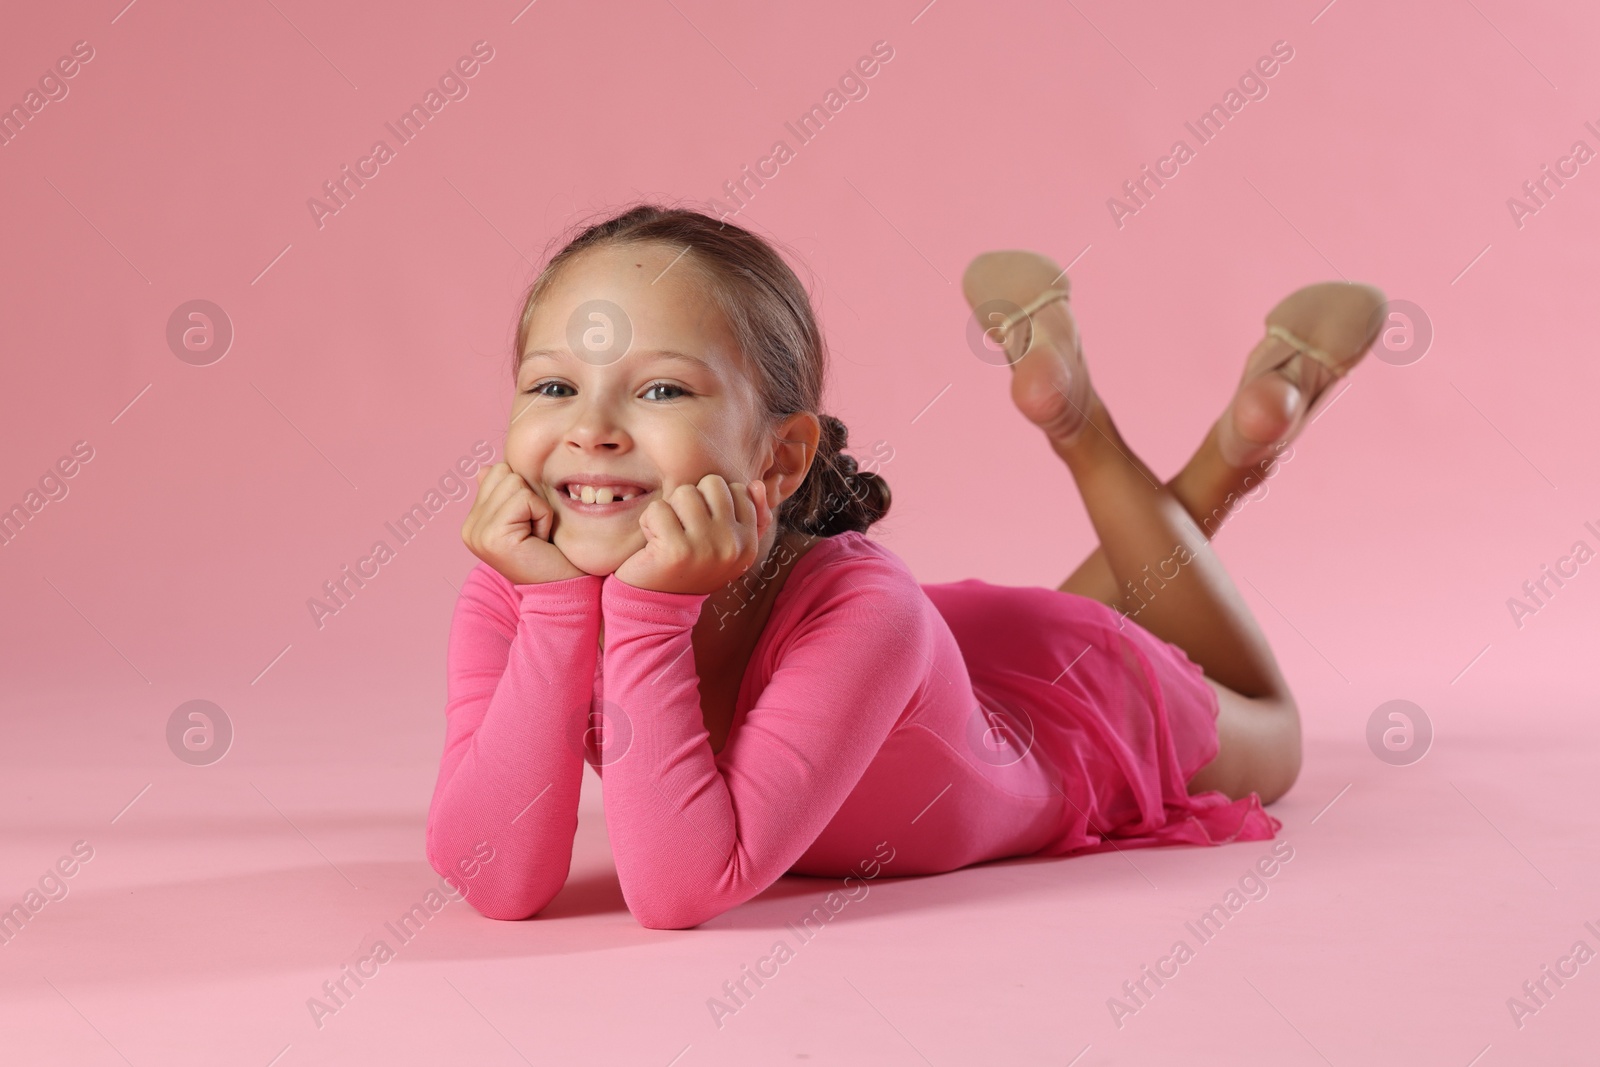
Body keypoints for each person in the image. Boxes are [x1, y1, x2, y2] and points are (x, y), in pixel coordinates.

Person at [425, 203, 1385, 930]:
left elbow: (679, 890)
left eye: (663, 388)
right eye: (553, 384)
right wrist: (555, 614)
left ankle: (1089, 429)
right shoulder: (520, 585)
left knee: (1277, 732)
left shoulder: (862, 607)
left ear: (780, 456)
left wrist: (644, 615)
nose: (589, 429)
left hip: (1059, 707)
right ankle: (1220, 446)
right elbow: (493, 875)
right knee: (1086, 624)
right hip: (936, 682)